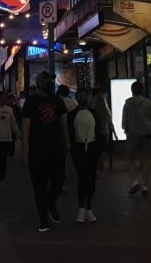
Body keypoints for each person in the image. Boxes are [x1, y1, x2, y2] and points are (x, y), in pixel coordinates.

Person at [20, 71, 68, 233]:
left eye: (50, 81)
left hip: (56, 148)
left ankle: (51, 203)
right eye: (47, 81)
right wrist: (24, 151)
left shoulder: (58, 101)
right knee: (39, 186)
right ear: (40, 83)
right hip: (37, 150)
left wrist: (67, 142)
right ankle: (43, 218)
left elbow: (64, 123)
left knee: (59, 180)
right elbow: (25, 128)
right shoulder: (30, 102)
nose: (50, 84)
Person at [121, 81, 151, 197]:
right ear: (142, 90)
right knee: (145, 161)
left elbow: (124, 121)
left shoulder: (127, 104)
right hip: (146, 135)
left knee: (130, 160)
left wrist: (126, 130)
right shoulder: (148, 103)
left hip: (132, 135)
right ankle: (145, 188)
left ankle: (135, 183)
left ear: (132, 91)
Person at [68, 89, 100, 222]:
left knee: (91, 179)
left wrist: (99, 151)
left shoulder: (94, 113)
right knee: (82, 178)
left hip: (92, 149)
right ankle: (82, 208)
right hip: (79, 150)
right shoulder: (72, 115)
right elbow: (70, 133)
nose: (83, 98)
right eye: (80, 96)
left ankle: (89, 208)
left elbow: (98, 132)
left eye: (85, 95)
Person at [89, 87, 114, 175]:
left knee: (97, 152)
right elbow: (109, 121)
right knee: (101, 152)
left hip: (95, 132)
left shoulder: (91, 107)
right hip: (105, 131)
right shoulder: (105, 108)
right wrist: (114, 132)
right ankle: (101, 170)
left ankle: (98, 169)